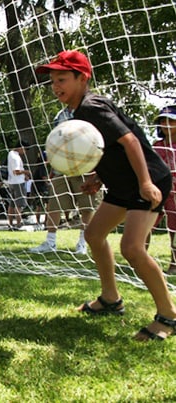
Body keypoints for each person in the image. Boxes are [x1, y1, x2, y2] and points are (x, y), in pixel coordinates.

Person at [36, 49, 176, 341]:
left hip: (146, 182)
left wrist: (146, 182)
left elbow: (130, 141)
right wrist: (98, 178)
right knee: (94, 235)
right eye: (52, 82)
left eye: (62, 79)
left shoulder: (91, 107)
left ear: (81, 77)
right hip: (125, 186)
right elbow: (107, 150)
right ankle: (111, 299)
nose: (56, 86)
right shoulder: (80, 111)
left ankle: (168, 315)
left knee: (133, 249)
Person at [29, 109, 101, 254]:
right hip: (61, 170)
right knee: (54, 206)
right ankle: (50, 242)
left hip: (85, 168)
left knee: (87, 207)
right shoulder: (60, 115)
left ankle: (82, 243)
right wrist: (53, 168)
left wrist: (98, 172)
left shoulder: (90, 111)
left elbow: (96, 142)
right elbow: (56, 141)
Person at [151, 105, 176, 275]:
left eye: (171, 120)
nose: (166, 124)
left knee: (174, 229)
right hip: (158, 190)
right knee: (144, 224)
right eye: (163, 120)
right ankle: (138, 259)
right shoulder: (156, 145)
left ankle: (174, 263)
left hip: (175, 191)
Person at [6, 141, 31, 229]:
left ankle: (10, 223)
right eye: (25, 150)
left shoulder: (10, 153)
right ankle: (19, 223)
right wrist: (26, 172)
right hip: (18, 183)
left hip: (11, 182)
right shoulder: (16, 157)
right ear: (21, 147)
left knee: (12, 204)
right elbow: (16, 171)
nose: (25, 152)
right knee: (19, 204)